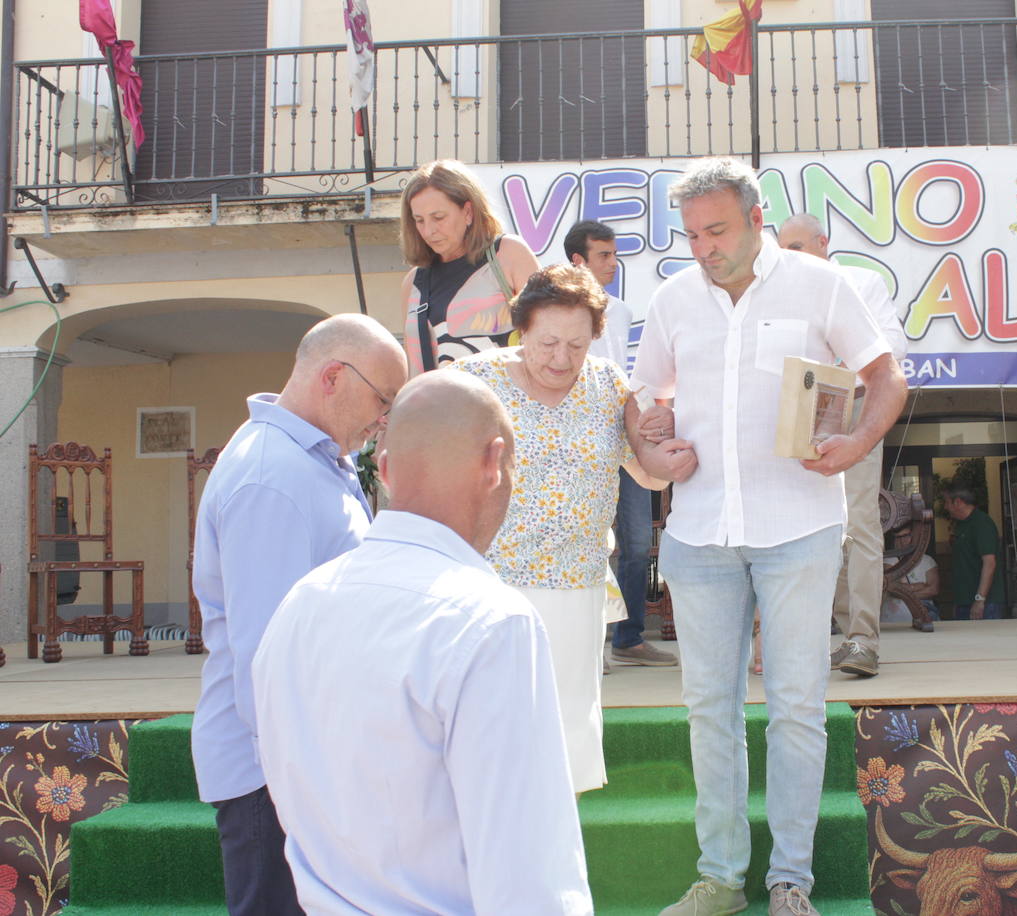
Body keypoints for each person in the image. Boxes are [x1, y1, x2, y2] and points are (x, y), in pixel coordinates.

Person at [631, 157, 906, 916]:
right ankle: (721, 877)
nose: (704, 247)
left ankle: (792, 882)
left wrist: (856, 446)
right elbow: (641, 398)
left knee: (796, 708)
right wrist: (650, 448)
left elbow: (887, 379)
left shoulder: (821, 284)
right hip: (699, 532)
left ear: (757, 220)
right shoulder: (673, 299)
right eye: (691, 234)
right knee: (708, 709)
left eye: (717, 229)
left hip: (799, 528)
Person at [252, 370, 593, 915]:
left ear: (383, 471)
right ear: (494, 463)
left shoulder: (299, 605)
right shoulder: (491, 622)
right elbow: (528, 875)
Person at [191, 314, 407, 915]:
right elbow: (267, 657)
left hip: (304, 762)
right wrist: (306, 781)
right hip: (278, 775)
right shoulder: (273, 477)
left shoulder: (310, 460)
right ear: (334, 376)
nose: (384, 417)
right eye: (382, 399)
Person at [459, 264, 695, 793]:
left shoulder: (608, 384)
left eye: (577, 344)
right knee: (494, 730)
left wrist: (666, 442)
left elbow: (649, 474)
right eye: (547, 343)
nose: (562, 359)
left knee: (567, 729)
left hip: (577, 585)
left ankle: (552, 853)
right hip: (494, 586)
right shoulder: (477, 382)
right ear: (522, 329)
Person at [778, 213, 907, 677]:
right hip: (799, 407)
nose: (786, 256)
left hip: (850, 403)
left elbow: (894, 346)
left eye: (795, 247)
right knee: (804, 522)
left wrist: (840, 358)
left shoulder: (860, 282)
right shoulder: (779, 294)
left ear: (822, 242)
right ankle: (829, 636)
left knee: (859, 522)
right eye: (781, 249)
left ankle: (863, 640)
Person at [564, 218, 679, 668]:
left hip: (625, 438)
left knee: (634, 542)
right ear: (579, 260)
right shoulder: (554, 309)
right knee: (586, 539)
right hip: (576, 441)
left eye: (614, 254)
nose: (614, 263)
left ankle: (627, 640)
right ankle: (586, 644)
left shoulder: (625, 310)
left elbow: (629, 376)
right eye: (603, 255)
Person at [399, 158, 540, 371]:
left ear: (468, 212)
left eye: (438, 217)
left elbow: (548, 337)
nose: (428, 231)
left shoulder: (509, 254)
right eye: (419, 220)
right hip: (435, 402)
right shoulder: (413, 283)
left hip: (508, 402)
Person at [945, 486, 1005, 620]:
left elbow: (989, 563)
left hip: (985, 603)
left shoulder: (981, 524)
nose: (945, 507)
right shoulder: (961, 524)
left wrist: (980, 599)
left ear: (958, 502)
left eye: (947, 502)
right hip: (964, 601)